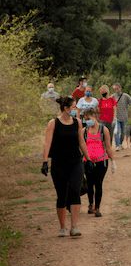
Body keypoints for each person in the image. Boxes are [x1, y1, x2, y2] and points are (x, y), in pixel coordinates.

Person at [41, 95, 94, 238]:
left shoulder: (77, 122)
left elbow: (81, 142)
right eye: (73, 107)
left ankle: (74, 227)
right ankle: (62, 227)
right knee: (61, 195)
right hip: (59, 162)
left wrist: (88, 159)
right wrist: (45, 161)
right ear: (66, 108)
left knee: (75, 192)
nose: (76, 109)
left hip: (75, 162)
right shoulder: (53, 123)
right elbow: (47, 143)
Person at [83, 108, 117, 217]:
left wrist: (113, 161)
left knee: (98, 184)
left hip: (101, 162)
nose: (87, 121)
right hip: (87, 162)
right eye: (85, 119)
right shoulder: (84, 131)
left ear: (94, 116)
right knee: (89, 184)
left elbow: (108, 146)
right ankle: (91, 204)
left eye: (88, 118)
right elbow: (81, 147)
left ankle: (97, 207)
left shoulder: (104, 130)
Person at [111, 82, 131, 151]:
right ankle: (117, 145)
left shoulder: (125, 96)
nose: (116, 90)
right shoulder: (112, 96)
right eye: (115, 89)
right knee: (116, 131)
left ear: (120, 88)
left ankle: (120, 144)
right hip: (116, 117)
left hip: (124, 117)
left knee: (123, 132)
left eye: (117, 88)